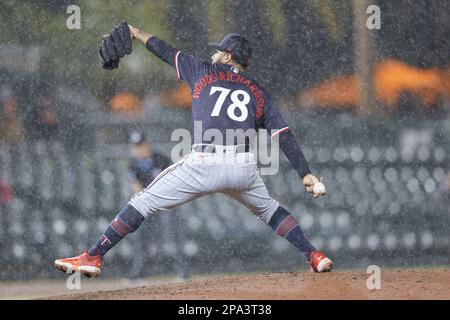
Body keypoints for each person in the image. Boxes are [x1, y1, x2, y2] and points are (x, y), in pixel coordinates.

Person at [55, 26, 333, 277]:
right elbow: (283, 136)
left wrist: (135, 32)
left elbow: (164, 50)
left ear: (227, 56)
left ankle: (93, 256)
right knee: (271, 211)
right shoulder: (259, 92)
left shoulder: (201, 69)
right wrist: (305, 173)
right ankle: (314, 255)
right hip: (242, 167)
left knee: (143, 200)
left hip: (204, 162)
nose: (214, 54)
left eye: (219, 51)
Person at [127, 131, 187, 279]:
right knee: (141, 237)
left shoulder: (161, 159)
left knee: (173, 235)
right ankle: (139, 273)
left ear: (148, 144)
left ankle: (182, 272)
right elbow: (136, 187)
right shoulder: (134, 165)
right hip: (147, 203)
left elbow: (173, 181)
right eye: (137, 146)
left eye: (142, 145)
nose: (140, 149)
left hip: (165, 201)